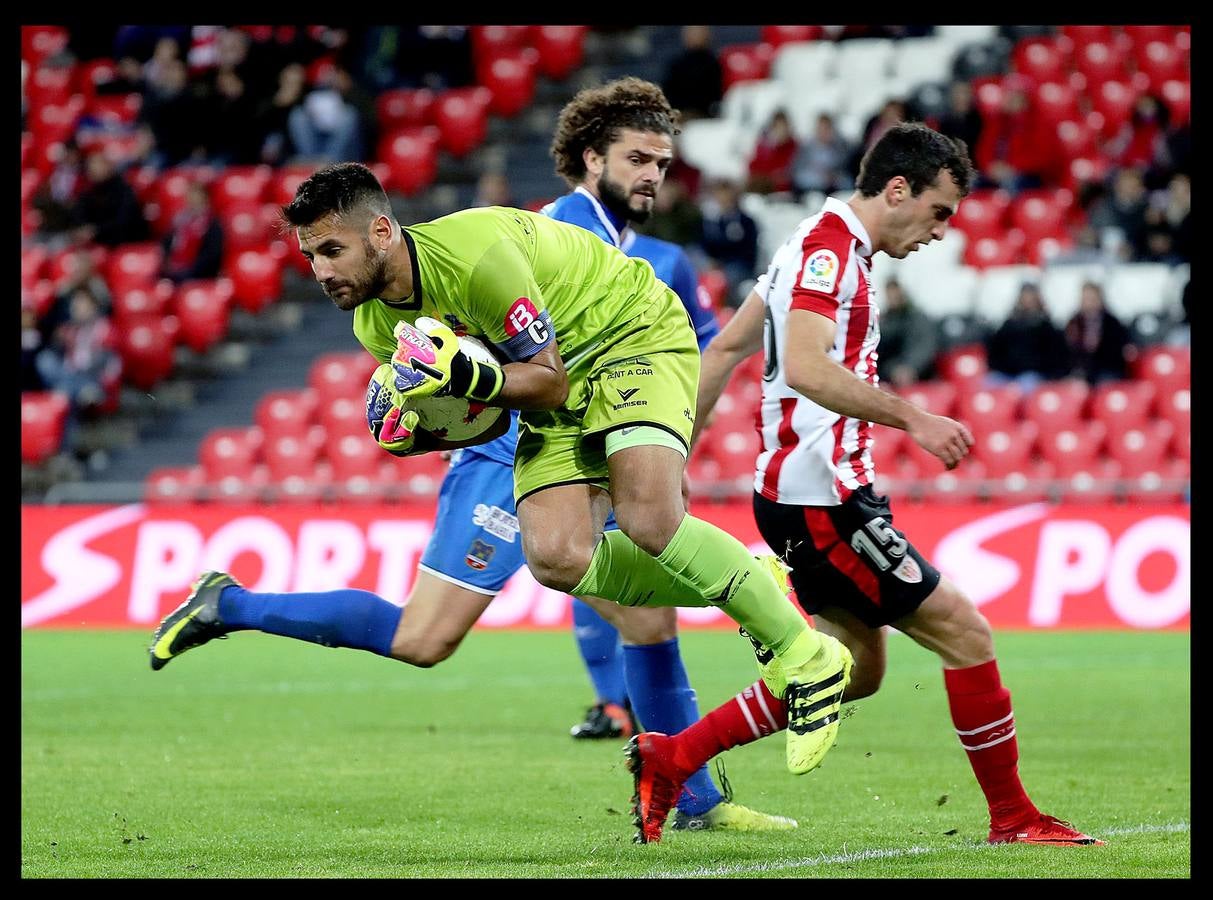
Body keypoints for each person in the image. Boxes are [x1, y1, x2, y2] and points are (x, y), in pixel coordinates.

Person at [150, 93, 850, 826]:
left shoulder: (482, 253)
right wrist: (422, 432)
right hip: (529, 411)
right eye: (310, 257)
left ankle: (791, 662)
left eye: (331, 251)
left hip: (624, 345)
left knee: (649, 531)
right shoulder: (375, 323)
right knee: (550, 564)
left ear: (382, 232)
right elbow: (482, 410)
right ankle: (743, 594)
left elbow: (538, 377)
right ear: (593, 161)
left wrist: (470, 379)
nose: (320, 272)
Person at [624, 122, 1103, 848]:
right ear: (897, 189)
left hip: (809, 498)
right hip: (822, 502)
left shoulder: (810, 244)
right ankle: (1013, 818)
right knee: (965, 633)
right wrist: (915, 417)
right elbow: (807, 367)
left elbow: (721, 351)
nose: (940, 232)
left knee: (853, 671)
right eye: (938, 212)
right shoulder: (827, 253)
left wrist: (672, 458)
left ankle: (674, 757)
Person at [985, 283, 1072, 392]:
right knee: (989, 384)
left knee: (1025, 385)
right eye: (1025, 297)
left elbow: (1055, 357)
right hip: (1007, 374)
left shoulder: (1047, 327)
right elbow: (996, 352)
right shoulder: (1009, 325)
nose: (1028, 301)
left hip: (1033, 375)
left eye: (1031, 298)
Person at [1064, 281, 1131, 385]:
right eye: (1086, 299)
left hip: (1106, 371)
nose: (1089, 302)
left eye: (1092, 299)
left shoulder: (1112, 323)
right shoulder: (1074, 322)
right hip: (1081, 372)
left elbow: (1117, 353)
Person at [876, 277, 938, 388]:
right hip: (888, 378)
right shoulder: (884, 322)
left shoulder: (918, 318)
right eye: (889, 293)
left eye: (896, 292)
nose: (893, 296)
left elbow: (925, 346)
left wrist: (910, 367)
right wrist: (892, 370)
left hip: (919, 377)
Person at [160, 181, 224, 284]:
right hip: (175, 270)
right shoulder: (179, 221)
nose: (192, 199)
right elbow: (166, 244)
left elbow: (212, 255)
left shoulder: (212, 223)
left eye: (196, 196)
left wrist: (191, 270)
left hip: (199, 274)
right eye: (190, 195)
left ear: (205, 198)